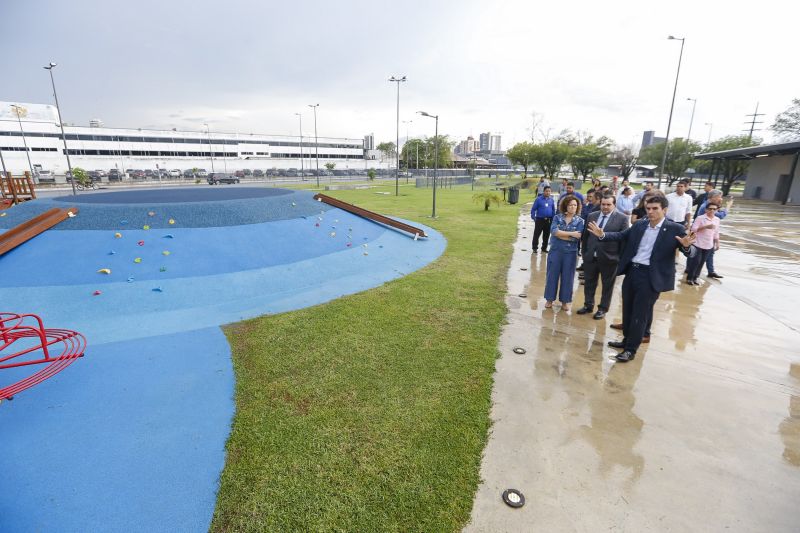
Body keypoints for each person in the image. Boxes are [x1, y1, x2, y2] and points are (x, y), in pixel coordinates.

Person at [586, 195, 696, 362]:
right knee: (628, 310)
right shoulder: (640, 225)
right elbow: (621, 235)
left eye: (655, 209)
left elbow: (691, 252)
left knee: (640, 314)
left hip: (651, 276)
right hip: (632, 272)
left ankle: (631, 349)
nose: (650, 212)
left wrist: (687, 247)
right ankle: (626, 340)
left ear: (664, 210)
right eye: (648, 208)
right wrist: (603, 235)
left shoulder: (675, 229)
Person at [577, 195, 630, 319]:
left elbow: (623, 240)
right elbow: (586, 237)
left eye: (608, 204)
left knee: (607, 286)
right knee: (589, 283)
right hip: (591, 257)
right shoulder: (592, 216)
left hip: (610, 259)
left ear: (614, 205)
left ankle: (602, 309)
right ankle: (588, 305)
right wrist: (585, 253)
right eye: (603, 204)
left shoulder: (622, 218)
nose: (605, 207)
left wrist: (619, 258)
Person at [544, 195, 584, 311]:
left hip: (570, 253)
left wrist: (562, 234)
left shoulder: (580, 221)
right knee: (552, 275)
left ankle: (565, 302)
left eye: (575, 205)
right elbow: (554, 232)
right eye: (570, 205)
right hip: (555, 251)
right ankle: (549, 299)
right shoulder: (557, 218)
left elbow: (576, 238)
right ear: (565, 205)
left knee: (568, 277)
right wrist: (571, 234)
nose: (573, 207)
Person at [695, 190, 733, 279]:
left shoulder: (710, 205)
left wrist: (717, 240)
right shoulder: (706, 206)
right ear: (713, 197)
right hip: (702, 236)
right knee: (698, 256)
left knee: (710, 253)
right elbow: (721, 216)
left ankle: (710, 271)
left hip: (709, 234)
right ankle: (693, 272)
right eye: (719, 197)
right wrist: (728, 207)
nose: (721, 199)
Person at [685, 198, 721, 285]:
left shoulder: (717, 219)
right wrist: (705, 227)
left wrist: (717, 243)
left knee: (702, 262)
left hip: (708, 244)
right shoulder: (700, 218)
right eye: (710, 209)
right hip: (697, 243)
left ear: (717, 210)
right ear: (706, 210)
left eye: (714, 209)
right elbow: (693, 229)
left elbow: (716, 232)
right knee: (696, 261)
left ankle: (695, 278)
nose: (712, 210)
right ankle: (690, 278)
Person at [530, 185, 556, 253]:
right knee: (537, 234)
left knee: (546, 235)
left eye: (549, 191)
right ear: (543, 191)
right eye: (546, 191)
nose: (548, 192)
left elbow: (553, 210)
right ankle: (534, 248)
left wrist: (553, 218)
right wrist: (534, 217)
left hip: (548, 220)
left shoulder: (551, 200)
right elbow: (533, 209)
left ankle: (544, 248)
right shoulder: (538, 199)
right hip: (539, 220)